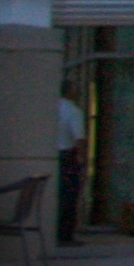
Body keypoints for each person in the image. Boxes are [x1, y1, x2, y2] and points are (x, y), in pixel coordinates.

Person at [55, 88, 87, 247]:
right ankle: (65, 234)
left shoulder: (51, 108)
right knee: (69, 196)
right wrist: (82, 157)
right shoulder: (73, 111)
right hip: (68, 156)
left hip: (53, 156)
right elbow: (79, 137)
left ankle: (54, 231)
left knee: (57, 195)